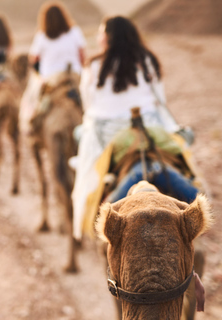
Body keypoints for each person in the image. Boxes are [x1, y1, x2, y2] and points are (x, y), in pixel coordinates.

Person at [72, 16, 194, 240]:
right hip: (149, 129)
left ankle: (93, 219)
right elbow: (160, 102)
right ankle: (197, 200)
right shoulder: (148, 60)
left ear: (108, 37)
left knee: (85, 168)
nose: (99, 38)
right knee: (188, 159)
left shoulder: (94, 65)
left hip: (110, 135)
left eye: (101, 33)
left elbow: (88, 107)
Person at [19, 1, 86, 132]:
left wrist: (39, 72)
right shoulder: (75, 32)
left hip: (51, 80)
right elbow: (82, 57)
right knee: (88, 101)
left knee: (32, 102)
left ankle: (32, 128)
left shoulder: (42, 36)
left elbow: (33, 60)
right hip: (74, 76)